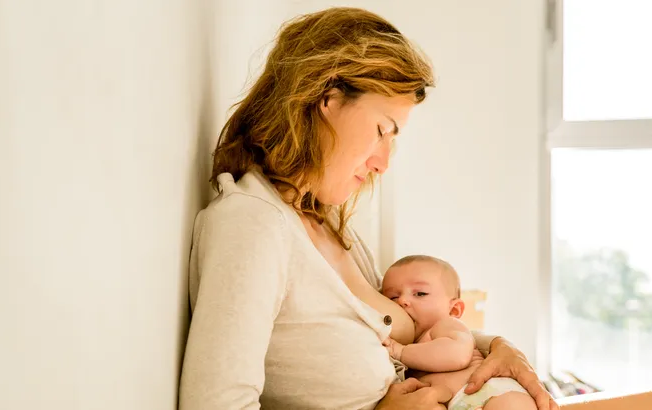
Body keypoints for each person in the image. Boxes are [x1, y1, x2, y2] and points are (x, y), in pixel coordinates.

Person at [179, 7, 558, 410]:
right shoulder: (252, 225)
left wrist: (497, 347)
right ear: (327, 98)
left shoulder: (328, 224)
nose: (383, 163)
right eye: (382, 131)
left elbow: (406, 333)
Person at [381, 255, 537, 410]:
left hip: (492, 393)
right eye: (393, 297)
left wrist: (401, 351)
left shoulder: (445, 326)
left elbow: (458, 355)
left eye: (420, 293)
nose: (402, 301)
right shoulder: (404, 343)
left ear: (454, 310)